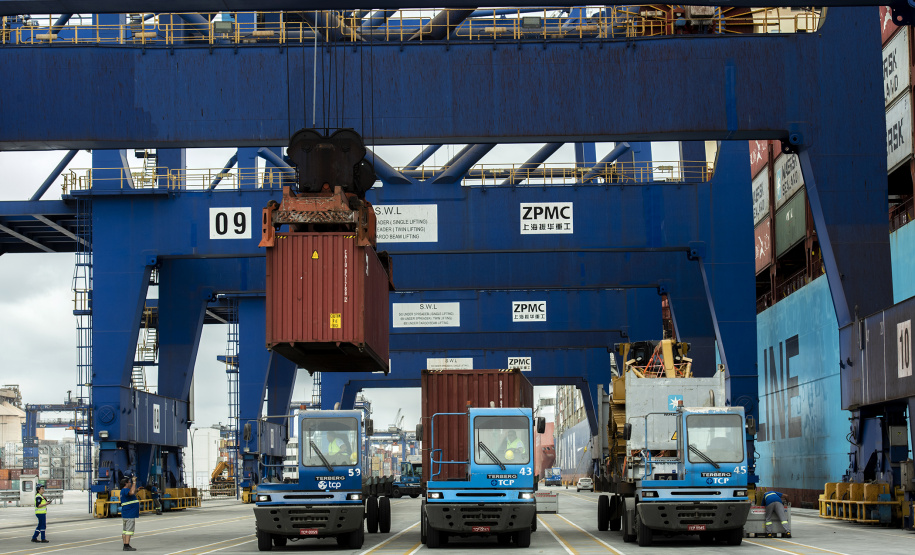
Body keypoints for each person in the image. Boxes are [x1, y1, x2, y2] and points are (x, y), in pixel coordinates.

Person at [120, 476, 140, 551]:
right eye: (129, 482)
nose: (130, 483)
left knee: (125, 530)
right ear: (126, 483)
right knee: (129, 530)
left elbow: (132, 493)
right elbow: (131, 492)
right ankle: (126, 545)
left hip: (126, 513)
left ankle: (125, 545)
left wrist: (136, 490)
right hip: (129, 513)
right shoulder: (125, 490)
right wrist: (134, 482)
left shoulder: (123, 491)